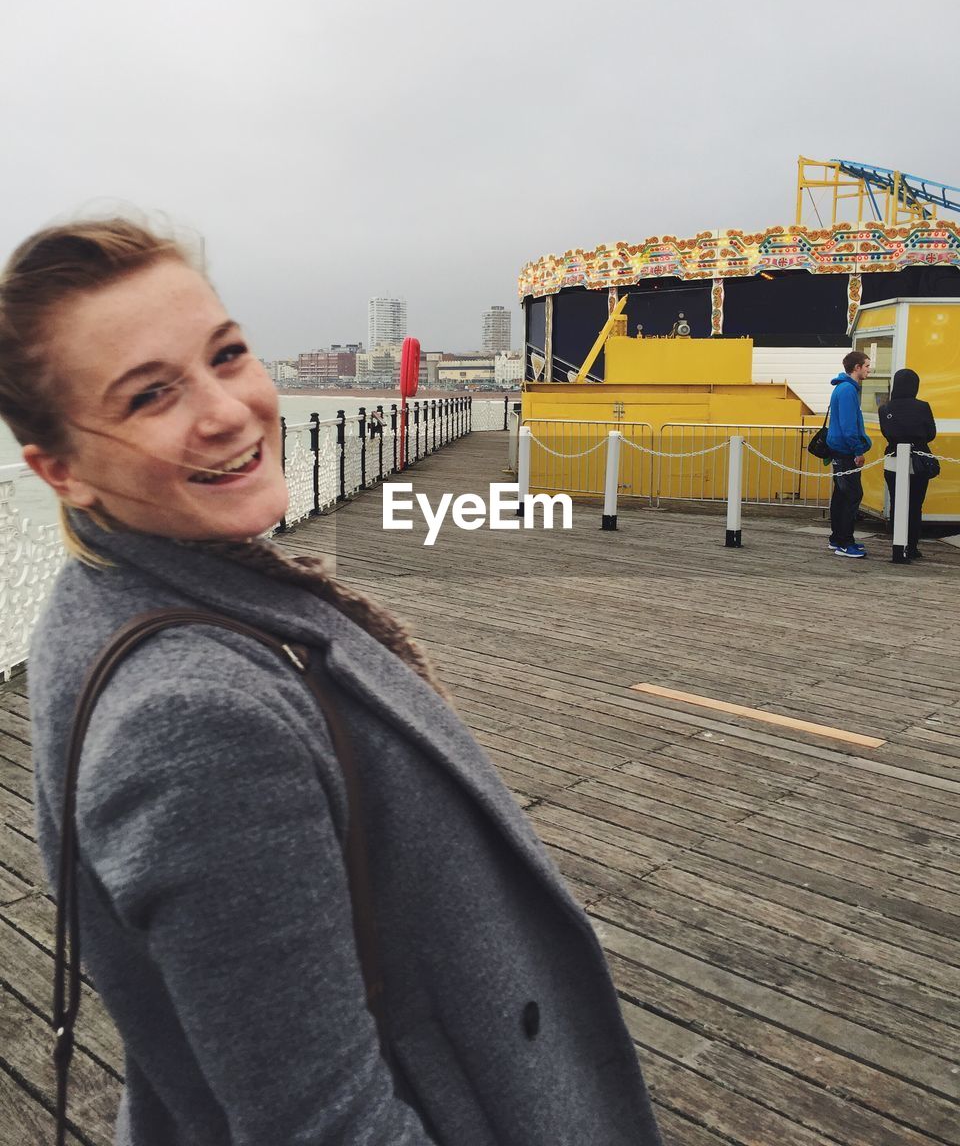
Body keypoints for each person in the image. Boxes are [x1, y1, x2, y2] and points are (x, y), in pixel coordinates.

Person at [0, 218, 663, 1146]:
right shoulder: (192, 723)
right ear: (58, 471)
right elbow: (325, 1123)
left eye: (227, 355)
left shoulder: (105, 596)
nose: (228, 410)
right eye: (152, 395)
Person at [879, 368, 937, 560]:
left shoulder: (885, 409)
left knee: (897, 502)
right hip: (919, 459)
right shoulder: (923, 406)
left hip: (893, 457)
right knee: (915, 503)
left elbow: (886, 433)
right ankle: (912, 546)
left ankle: (898, 545)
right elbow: (931, 433)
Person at [826, 349, 872, 558]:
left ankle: (837, 538)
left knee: (841, 495)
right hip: (846, 451)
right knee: (852, 495)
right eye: (867, 366)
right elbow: (848, 425)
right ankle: (845, 542)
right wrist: (858, 450)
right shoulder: (848, 391)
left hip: (838, 449)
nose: (869, 370)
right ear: (857, 368)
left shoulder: (841, 388)